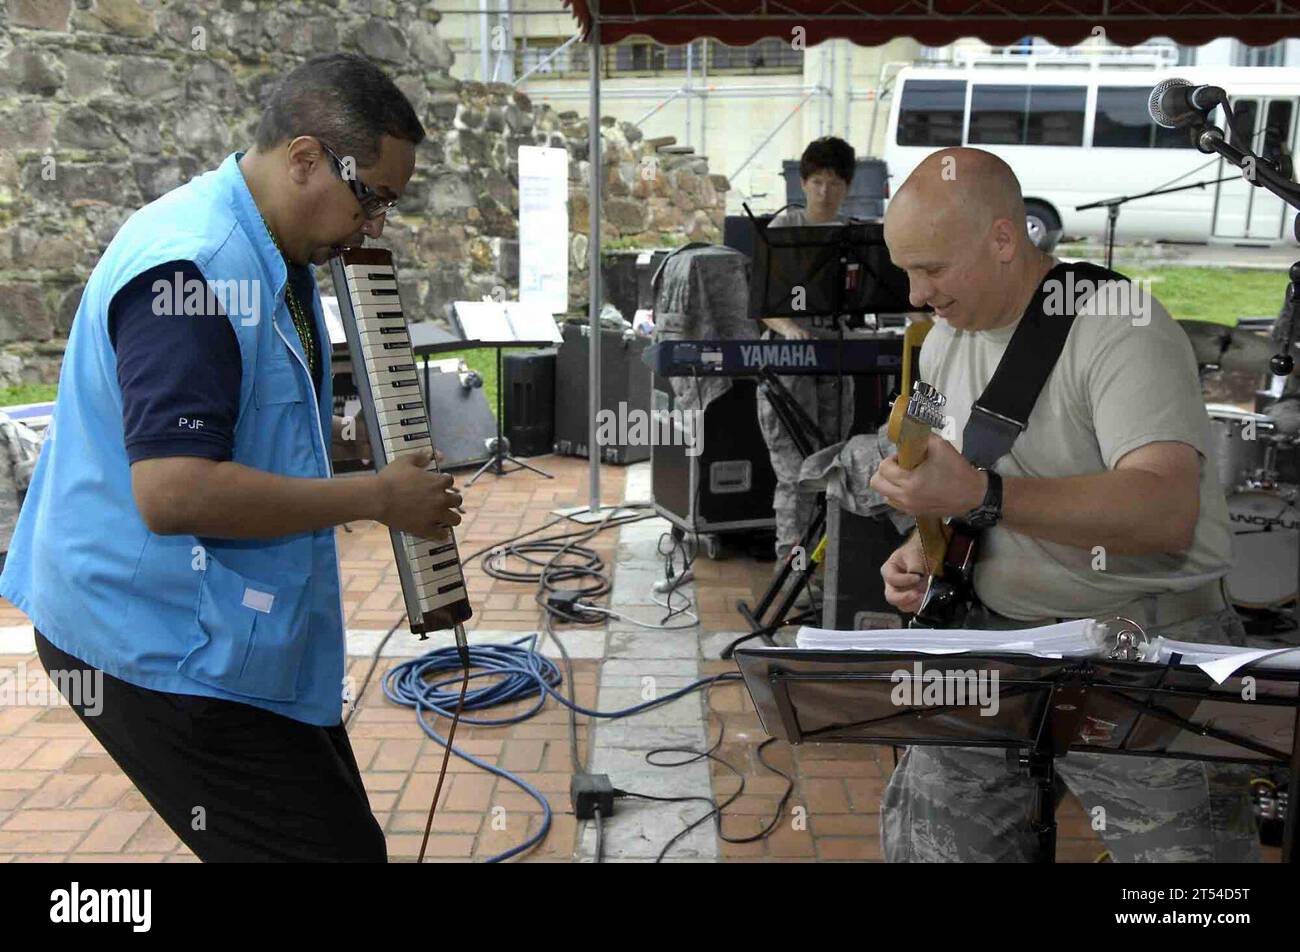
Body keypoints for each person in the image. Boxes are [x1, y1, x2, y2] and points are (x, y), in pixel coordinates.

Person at [0, 54, 464, 862]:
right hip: (150, 640)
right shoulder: (196, 269)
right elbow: (174, 493)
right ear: (308, 158)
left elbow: (249, 413)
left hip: (220, 628)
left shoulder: (269, 251)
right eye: (375, 198)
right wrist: (376, 497)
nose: (379, 224)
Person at [869, 146, 1280, 862]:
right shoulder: (935, 348)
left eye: (931, 269)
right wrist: (922, 544)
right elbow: (935, 463)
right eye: (906, 269)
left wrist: (981, 493)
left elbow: (1164, 510)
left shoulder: (1121, 326)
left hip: (1145, 658)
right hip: (1002, 648)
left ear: (1004, 238)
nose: (915, 293)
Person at [757, 136, 857, 603]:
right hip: (789, 360)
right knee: (795, 472)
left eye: (834, 183)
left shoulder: (852, 235)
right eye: (817, 182)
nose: (824, 191)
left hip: (834, 359)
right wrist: (790, 327)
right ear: (802, 183)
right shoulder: (785, 226)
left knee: (834, 466)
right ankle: (793, 576)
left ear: (847, 187)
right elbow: (764, 303)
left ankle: (831, 570)